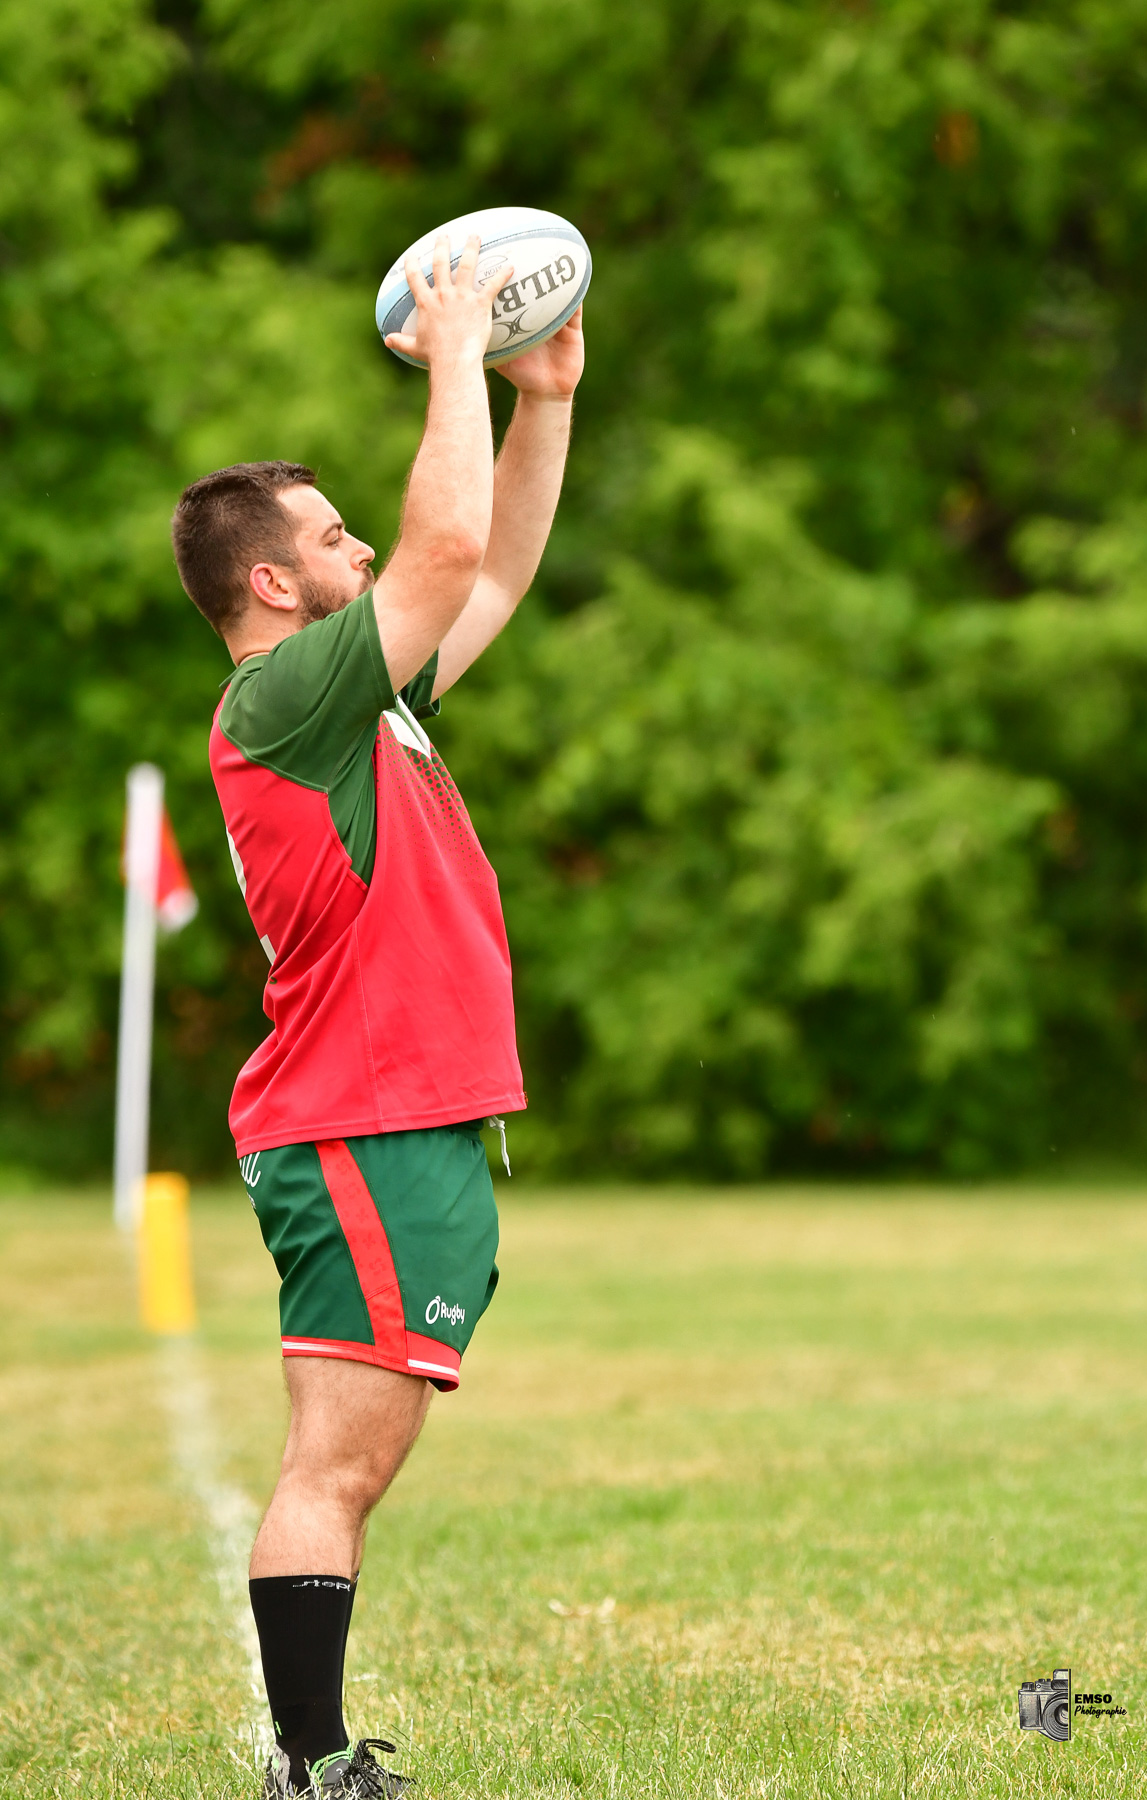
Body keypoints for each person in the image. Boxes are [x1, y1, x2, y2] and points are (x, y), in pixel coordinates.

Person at [170, 235, 584, 1799]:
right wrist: (459, 348)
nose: (364, 552)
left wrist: (540, 394)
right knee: (336, 1467)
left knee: (352, 1462)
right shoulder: (279, 699)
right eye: (333, 538)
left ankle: (312, 1752)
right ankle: (314, 1762)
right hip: (361, 1115)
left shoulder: (366, 703)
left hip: (397, 1113)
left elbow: (487, 570)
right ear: (272, 582)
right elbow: (441, 540)